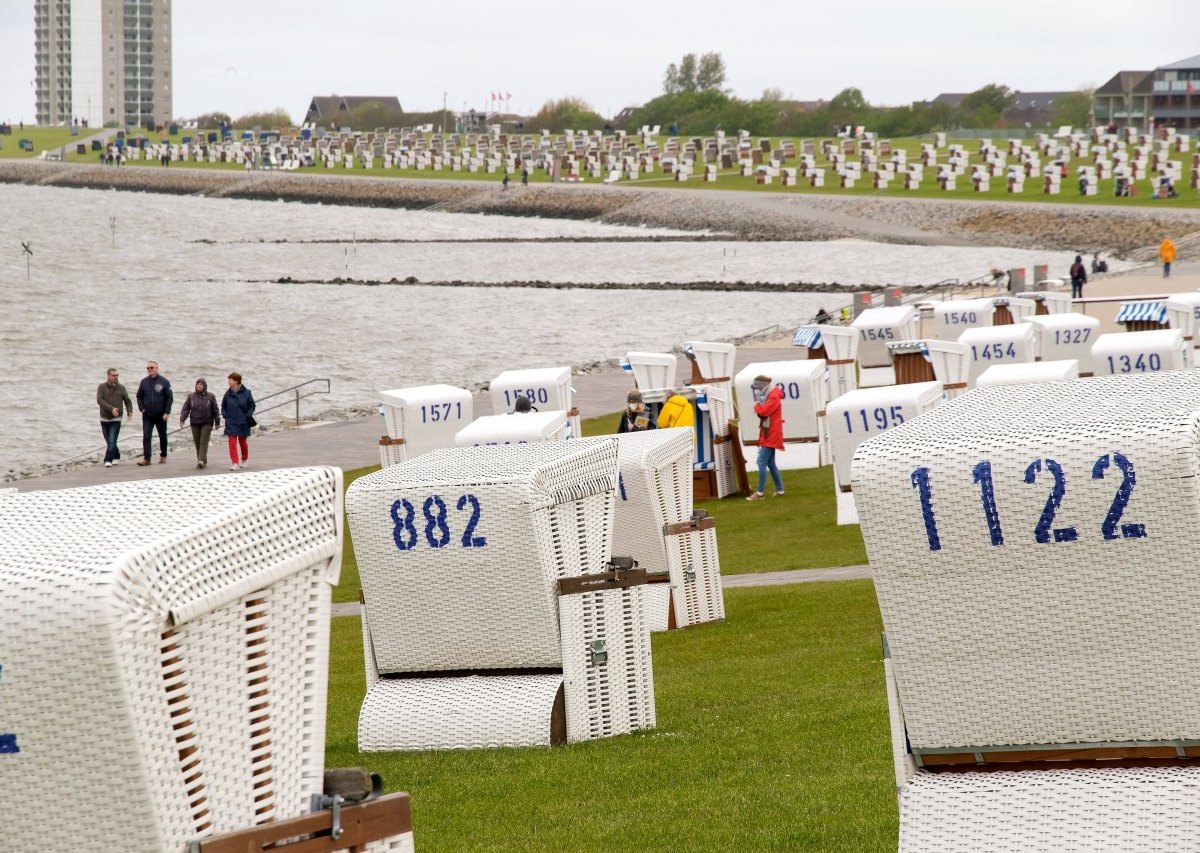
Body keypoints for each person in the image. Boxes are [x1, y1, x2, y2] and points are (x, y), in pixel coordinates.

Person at [747, 375, 785, 501]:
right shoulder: (771, 395)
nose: (756, 390)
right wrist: (759, 406)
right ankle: (780, 490)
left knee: (761, 462)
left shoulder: (773, 397)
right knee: (770, 463)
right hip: (770, 433)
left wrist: (756, 406)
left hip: (771, 434)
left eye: (757, 388)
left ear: (762, 386)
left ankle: (760, 492)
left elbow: (763, 411)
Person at [136, 360, 173, 465]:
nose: (149, 370)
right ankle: (147, 458)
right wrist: (141, 408)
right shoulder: (144, 382)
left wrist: (167, 412)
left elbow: (169, 398)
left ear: (157, 368)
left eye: (151, 368)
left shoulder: (164, 382)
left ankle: (163, 455)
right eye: (148, 368)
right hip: (147, 415)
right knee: (146, 436)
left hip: (161, 415)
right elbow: (139, 396)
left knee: (162, 435)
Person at [179, 378, 220, 469]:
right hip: (195, 423)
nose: (199, 385)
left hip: (207, 423)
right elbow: (186, 409)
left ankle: (200, 460)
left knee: (203, 441)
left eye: (201, 384)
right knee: (197, 442)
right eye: (197, 384)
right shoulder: (191, 396)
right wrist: (182, 419)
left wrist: (217, 422)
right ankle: (202, 459)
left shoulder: (210, 396)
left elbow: (215, 410)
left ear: (204, 386)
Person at [96, 367, 133, 467]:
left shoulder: (121, 388)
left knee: (112, 439)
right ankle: (116, 455)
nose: (116, 377)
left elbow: (127, 401)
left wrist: (129, 412)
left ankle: (108, 459)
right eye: (113, 375)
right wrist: (111, 409)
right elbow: (99, 400)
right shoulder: (101, 387)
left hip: (116, 419)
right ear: (108, 376)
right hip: (104, 418)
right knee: (109, 440)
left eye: (117, 375)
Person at [222, 372, 256, 470]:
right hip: (231, 421)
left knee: (242, 442)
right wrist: (225, 416)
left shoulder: (247, 392)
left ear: (236, 381)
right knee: (232, 442)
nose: (228, 381)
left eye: (230, 380)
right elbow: (223, 407)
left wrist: (248, 415)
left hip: (243, 422)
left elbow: (252, 406)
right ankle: (235, 463)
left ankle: (244, 459)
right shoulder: (227, 394)